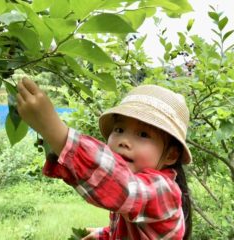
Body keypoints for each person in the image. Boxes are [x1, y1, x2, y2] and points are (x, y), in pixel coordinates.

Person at [16, 77, 192, 240]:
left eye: (143, 134)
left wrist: (53, 129)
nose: (124, 141)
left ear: (171, 155)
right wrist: (104, 234)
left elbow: (123, 187)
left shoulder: (164, 191)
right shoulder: (133, 196)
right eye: (119, 130)